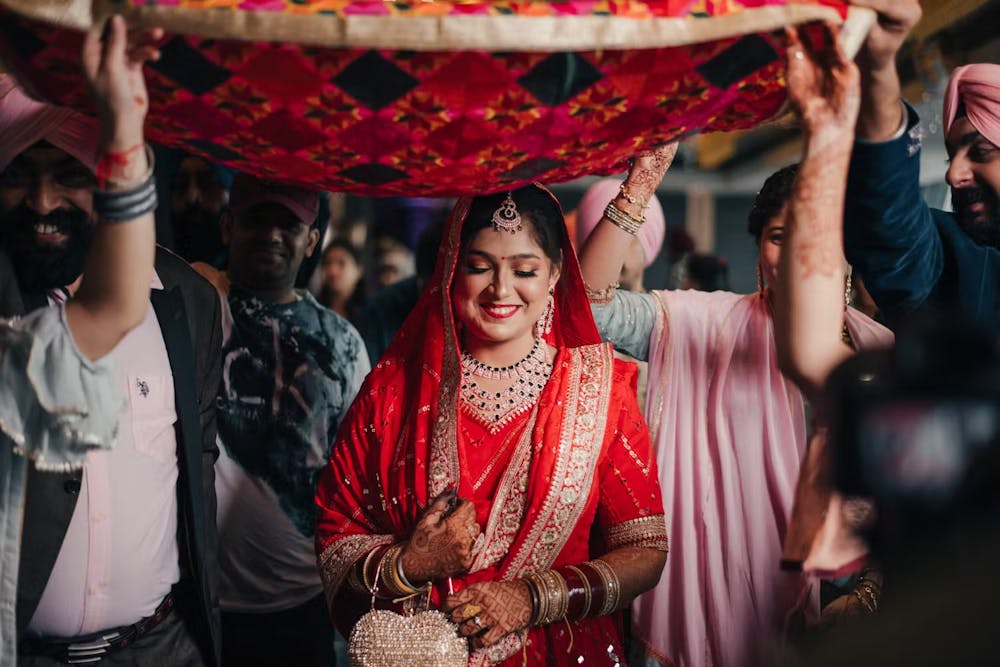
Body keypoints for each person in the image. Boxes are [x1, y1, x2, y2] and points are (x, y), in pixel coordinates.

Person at [577, 43, 893, 667]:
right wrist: (640, 185)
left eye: (819, 234)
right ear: (759, 252)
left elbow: (909, 503)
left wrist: (867, 596)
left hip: (839, 614)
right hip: (709, 605)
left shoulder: (882, 352)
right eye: (781, 236)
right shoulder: (703, 323)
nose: (800, 252)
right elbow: (588, 305)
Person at [315, 185, 668, 665]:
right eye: (480, 267)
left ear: (555, 275)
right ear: (451, 270)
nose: (501, 290)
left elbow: (645, 550)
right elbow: (337, 531)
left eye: (524, 270)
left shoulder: (601, 393)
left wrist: (532, 596)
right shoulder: (393, 392)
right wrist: (410, 564)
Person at [0, 25, 224, 667]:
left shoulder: (190, 302)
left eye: (70, 173)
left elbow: (195, 471)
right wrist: (123, 120)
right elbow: (115, 304)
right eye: (18, 174)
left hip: (161, 646)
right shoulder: (20, 341)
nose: (42, 200)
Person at [192, 174, 369, 667]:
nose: (271, 234)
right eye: (257, 219)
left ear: (311, 240)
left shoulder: (342, 343)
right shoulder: (195, 306)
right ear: (228, 226)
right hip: (198, 600)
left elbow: (356, 474)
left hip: (300, 602)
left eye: (288, 224)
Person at [843, 0, 1000, 338]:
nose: (953, 174)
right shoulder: (951, 262)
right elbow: (891, 223)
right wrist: (878, 67)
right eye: (951, 156)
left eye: (982, 152)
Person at [574, 178, 666, 291]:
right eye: (601, 243)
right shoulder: (566, 306)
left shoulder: (667, 306)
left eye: (625, 238)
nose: (612, 254)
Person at [318, 238, 365, 318]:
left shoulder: (369, 313)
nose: (333, 271)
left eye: (341, 263)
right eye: (328, 263)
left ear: (358, 271)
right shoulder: (316, 309)